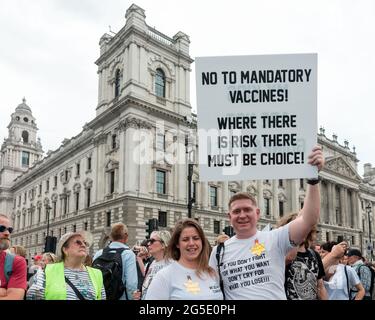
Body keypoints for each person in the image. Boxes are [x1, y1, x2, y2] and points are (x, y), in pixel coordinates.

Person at [208, 146, 324, 300]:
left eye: (247, 210)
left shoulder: (275, 238)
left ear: (257, 213)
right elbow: (211, 293)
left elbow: (309, 219)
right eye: (236, 211)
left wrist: (313, 179)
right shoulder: (218, 252)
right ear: (229, 217)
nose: (242, 215)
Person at [145, 218, 223, 300]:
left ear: (202, 241)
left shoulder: (212, 273)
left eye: (196, 238)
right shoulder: (164, 277)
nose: (191, 243)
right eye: (185, 239)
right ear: (177, 244)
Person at [26, 231, 105, 300]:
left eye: (85, 243)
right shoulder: (47, 271)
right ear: (65, 250)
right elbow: (33, 296)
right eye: (78, 242)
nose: (83, 245)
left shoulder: (97, 274)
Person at [278, 213, 327, 300]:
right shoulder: (282, 254)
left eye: (304, 228)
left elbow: (320, 286)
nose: (302, 232)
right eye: (297, 229)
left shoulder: (314, 255)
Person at [93, 222, 137, 300]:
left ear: (111, 236)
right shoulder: (128, 254)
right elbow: (131, 284)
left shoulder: (99, 253)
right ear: (126, 236)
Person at [134, 230, 172, 299]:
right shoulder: (152, 263)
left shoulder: (171, 265)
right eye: (149, 241)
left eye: (152, 241)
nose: (148, 244)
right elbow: (145, 275)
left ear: (163, 244)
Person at [0, 214, 27, 300]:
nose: (7, 233)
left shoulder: (17, 262)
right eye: (1, 228)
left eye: (10, 230)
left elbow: (14, 298)